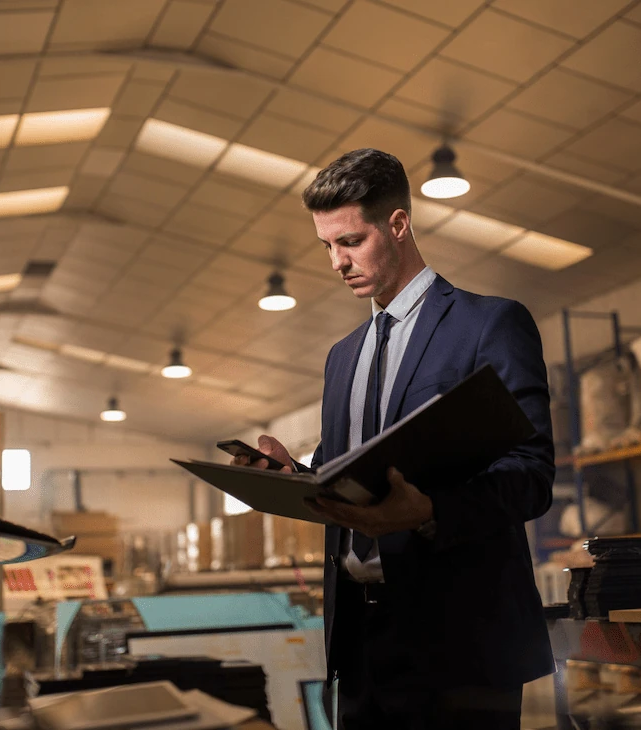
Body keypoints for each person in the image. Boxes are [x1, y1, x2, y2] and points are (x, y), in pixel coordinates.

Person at [233, 148, 556, 729]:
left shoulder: (490, 325)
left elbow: (531, 476)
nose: (337, 262)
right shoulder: (342, 359)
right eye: (327, 246)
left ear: (399, 225)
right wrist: (295, 479)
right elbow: (347, 479)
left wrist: (428, 511)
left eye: (351, 242)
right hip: (358, 641)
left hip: (460, 644)